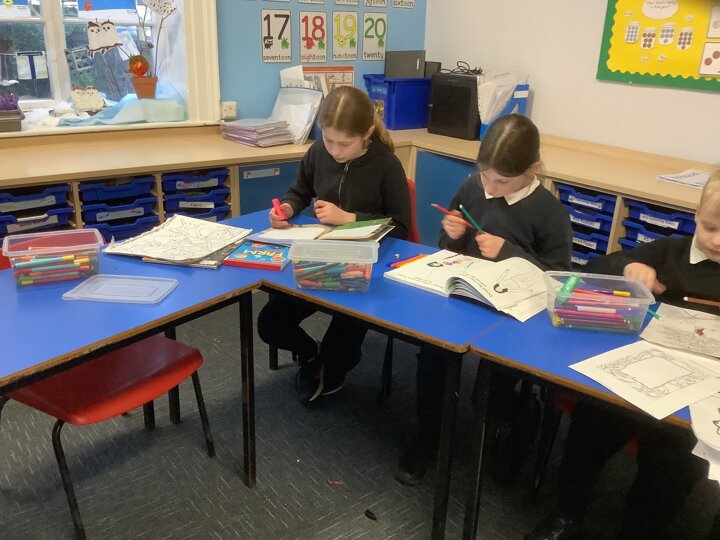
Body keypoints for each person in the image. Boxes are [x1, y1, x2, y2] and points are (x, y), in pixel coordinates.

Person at [526, 170, 720, 540]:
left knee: (670, 464)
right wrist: (629, 267)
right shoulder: (669, 251)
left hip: (696, 400)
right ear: (696, 215)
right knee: (590, 424)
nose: (717, 241)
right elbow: (600, 266)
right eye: (710, 227)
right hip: (639, 377)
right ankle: (567, 514)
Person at [394, 113, 573, 486]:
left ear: (532, 169)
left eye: (502, 181)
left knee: (491, 389)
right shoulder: (474, 187)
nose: (490, 188)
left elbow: (558, 280)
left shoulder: (550, 212)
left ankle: (516, 424)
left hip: (514, 316)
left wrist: (509, 252)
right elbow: (448, 248)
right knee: (432, 357)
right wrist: (452, 233)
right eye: (484, 176)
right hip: (465, 298)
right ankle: (428, 433)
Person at [257, 85, 411, 405]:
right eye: (329, 140)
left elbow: (400, 227)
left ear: (367, 134)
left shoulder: (387, 166)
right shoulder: (318, 152)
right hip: (319, 260)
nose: (335, 152)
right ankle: (310, 353)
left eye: (344, 144)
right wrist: (287, 207)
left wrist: (350, 218)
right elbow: (300, 190)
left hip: (364, 269)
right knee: (270, 324)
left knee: (338, 353)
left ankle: (331, 365)